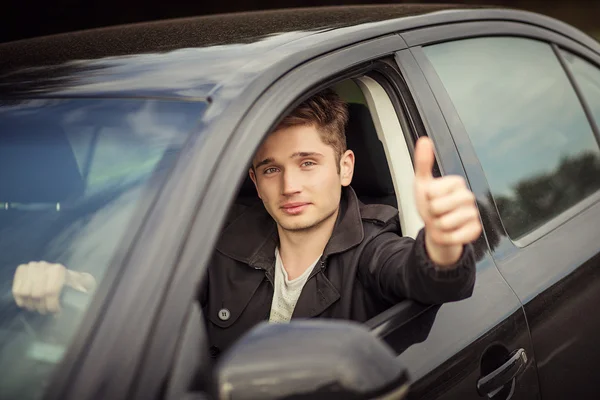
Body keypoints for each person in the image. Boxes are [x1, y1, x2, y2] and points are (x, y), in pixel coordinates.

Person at [12, 89, 481, 357]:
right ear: (255, 182)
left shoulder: (374, 248)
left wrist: (441, 248)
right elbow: (151, 297)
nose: (289, 186)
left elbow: (424, 276)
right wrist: (75, 288)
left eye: (308, 163)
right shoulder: (219, 243)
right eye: (272, 169)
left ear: (345, 168)